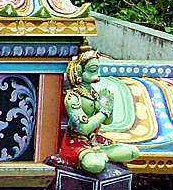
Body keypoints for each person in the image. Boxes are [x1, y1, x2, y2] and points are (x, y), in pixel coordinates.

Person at [60, 44, 139, 173]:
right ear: (79, 71)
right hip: (76, 144)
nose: (97, 74)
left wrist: (109, 107)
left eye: (97, 70)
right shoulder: (73, 97)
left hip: (95, 142)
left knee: (132, 152)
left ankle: (101, 153)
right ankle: (98, 157)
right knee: (95, 165)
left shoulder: (94, 93)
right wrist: (103, 112)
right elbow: (83, 128)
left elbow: (108, 122)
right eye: (92, 70)